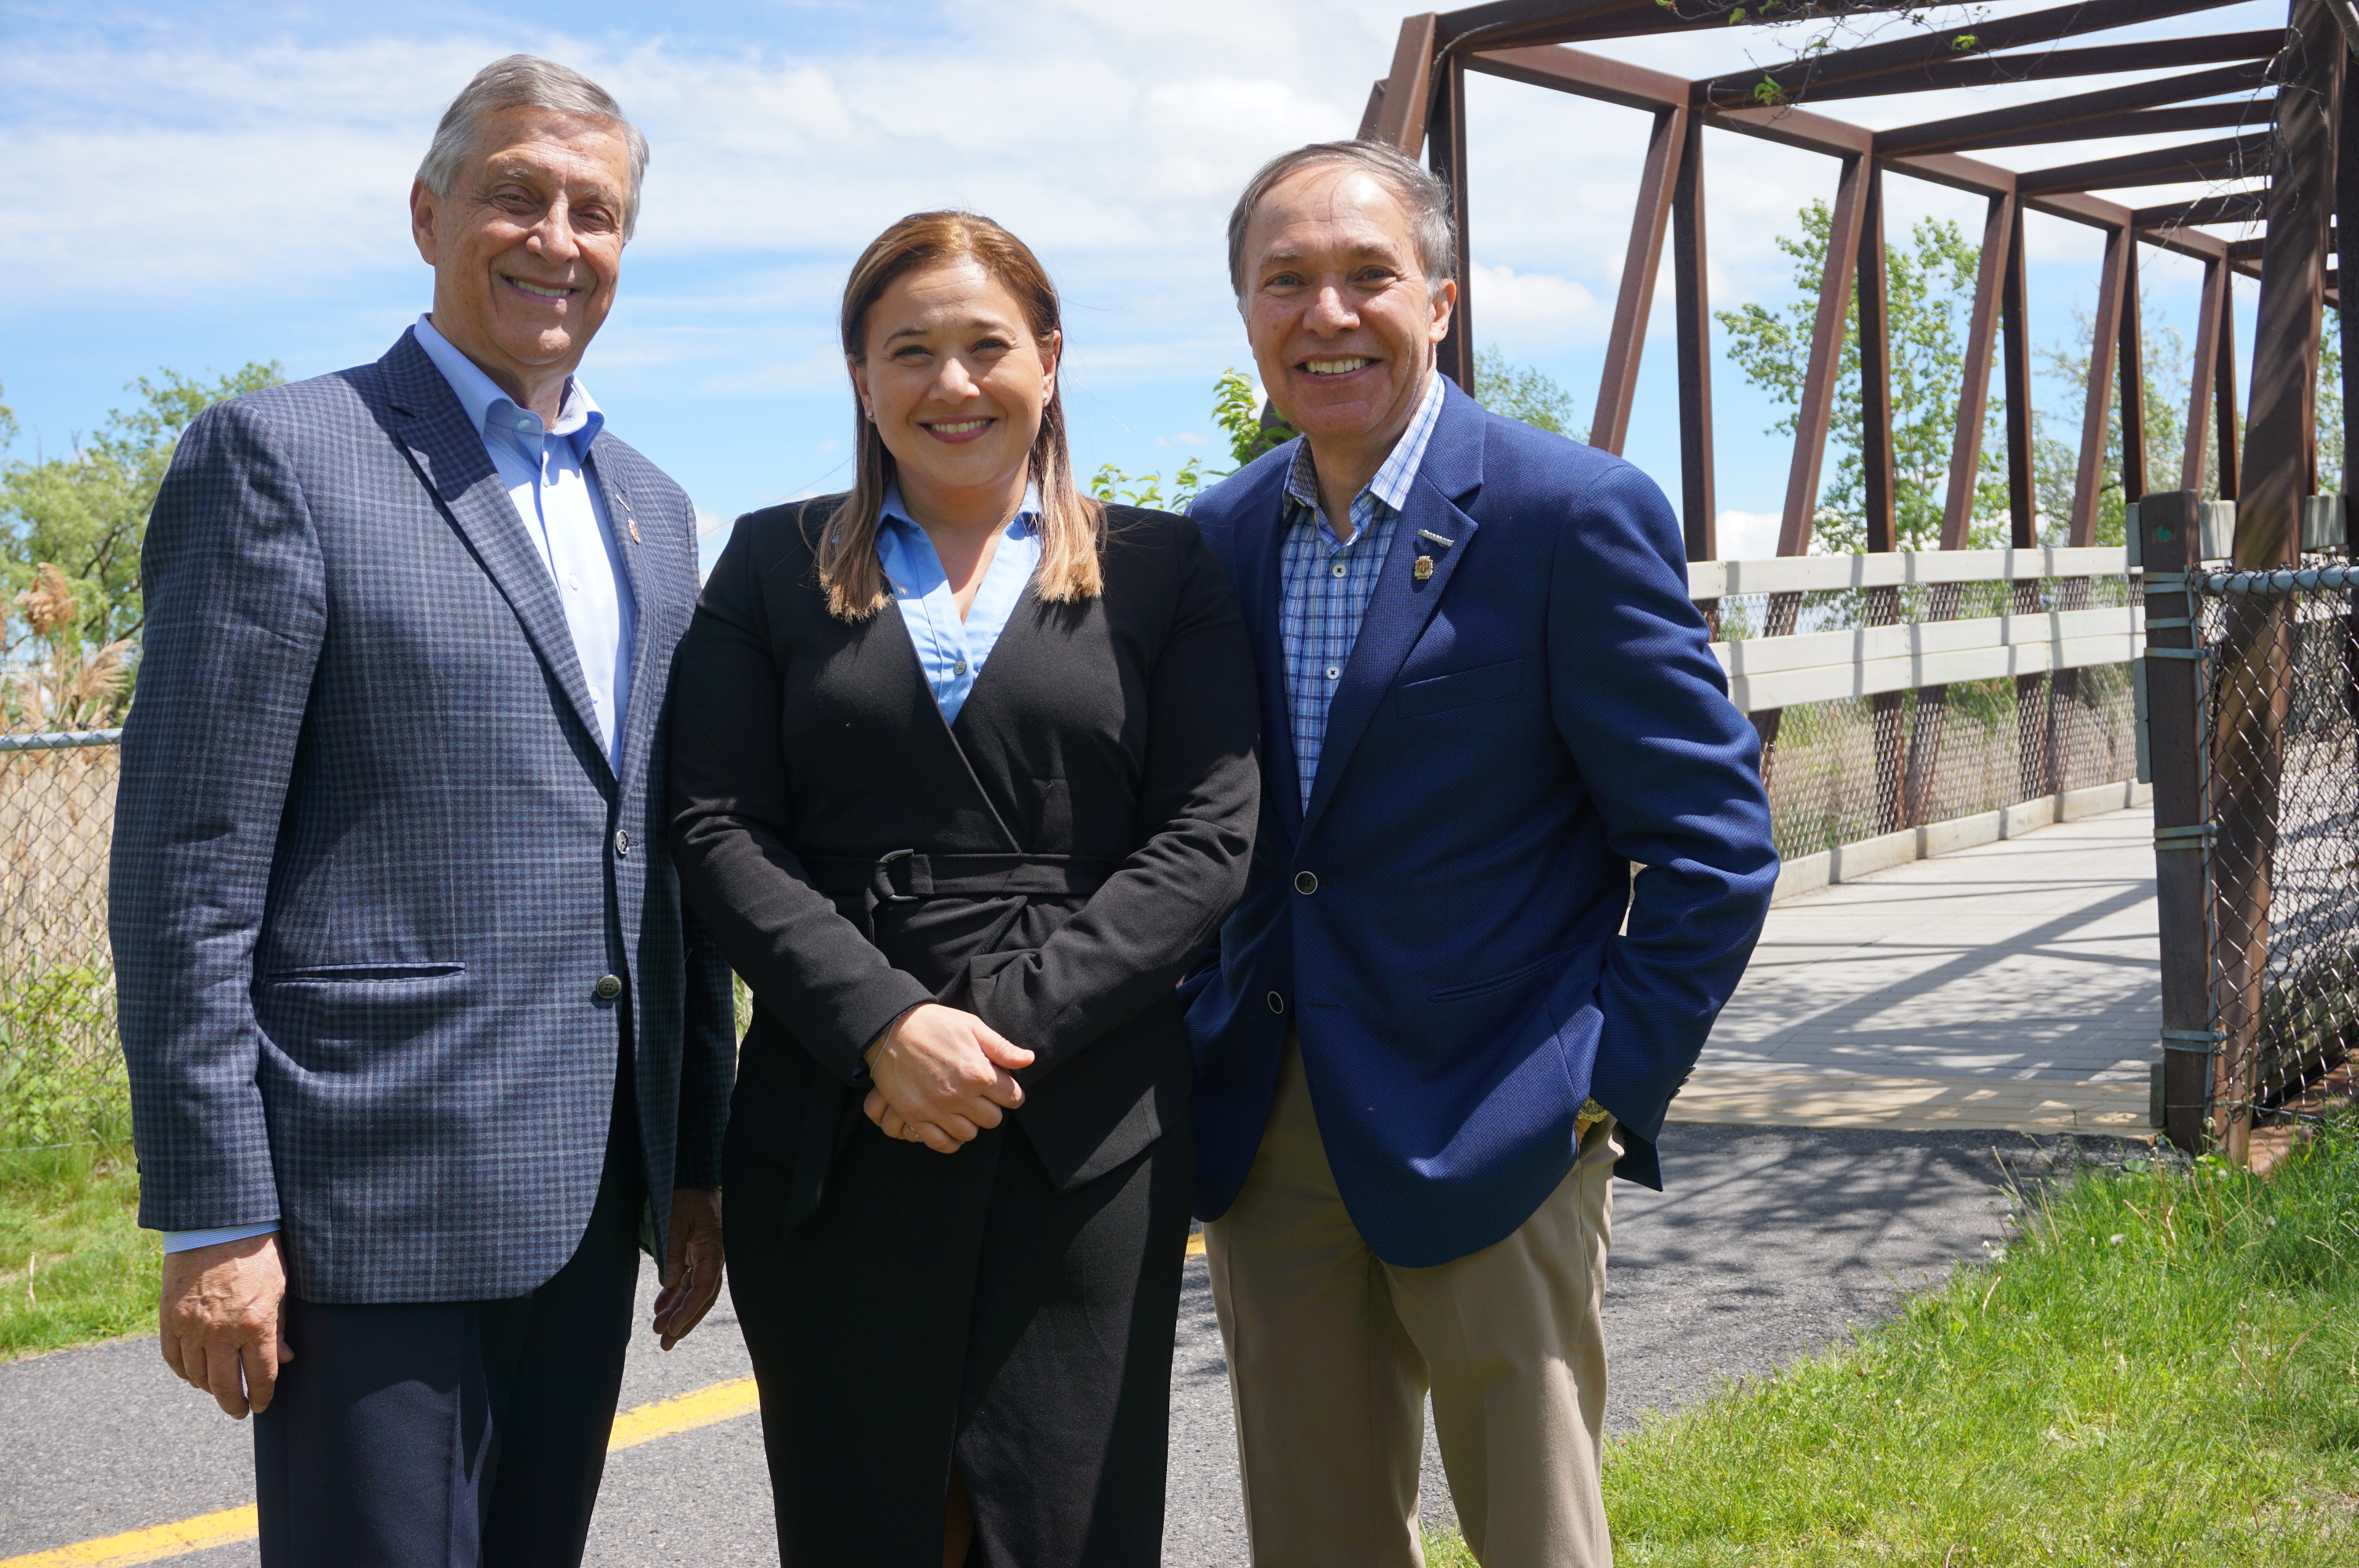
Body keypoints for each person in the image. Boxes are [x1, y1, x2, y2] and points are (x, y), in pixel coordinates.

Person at [110, 56, 736, 1568]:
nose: (555, 237)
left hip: (590, 1193)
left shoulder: (653, 506)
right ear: (427, 211)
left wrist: (694, 1157)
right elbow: (186, 871)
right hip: (360, 1204)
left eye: (596, 211)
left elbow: (663, 854)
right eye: (515, 193)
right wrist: (215, 1215)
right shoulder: (282, 459)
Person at [1183, 140, 1779, 1567]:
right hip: (1271, 1132)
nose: (1327, 313)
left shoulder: (1565, 513)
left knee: (1535, 1538)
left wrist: (1603, 1092)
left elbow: (1711, 845)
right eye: (1286, 282)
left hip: (1505, 1117)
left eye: (1367, 276)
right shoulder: (1213, 541)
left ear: (1440, 300)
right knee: (1313, 1538)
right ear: (1249, 315)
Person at [667, 209, 1258, 1568]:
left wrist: (992, 1038)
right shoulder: (771, 561)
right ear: (861, 379)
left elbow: (1209, 835)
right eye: (909, 351)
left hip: (1085, 1121)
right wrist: (883, 1024)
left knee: (1068, 1524)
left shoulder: (1163, 566)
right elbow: (713, 825)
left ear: (1048, 360)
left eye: (987, 345)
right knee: (859, 1515)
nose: (953, 384)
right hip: (836, 1106)